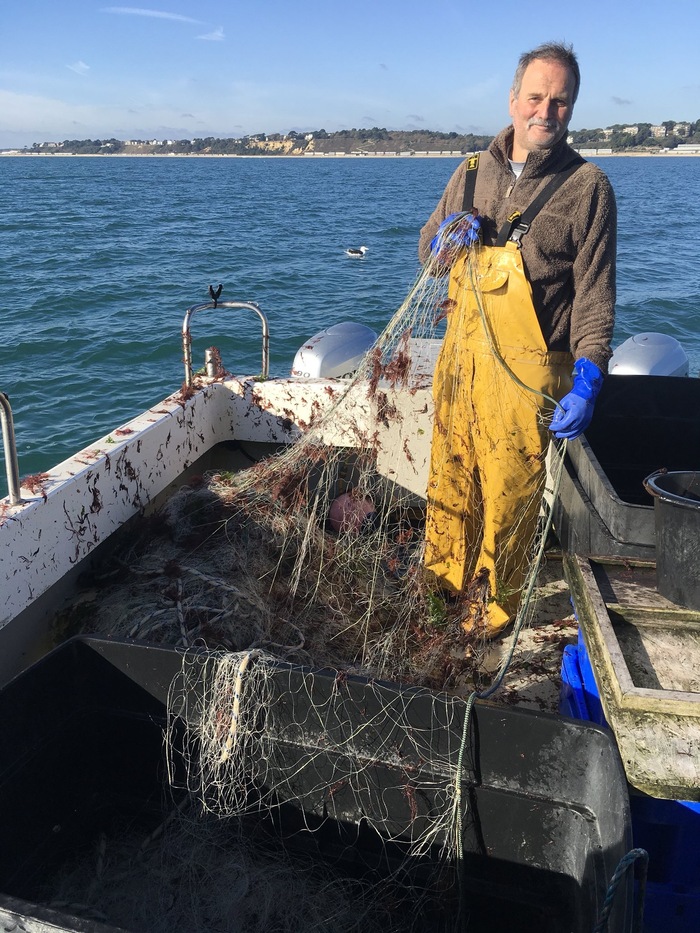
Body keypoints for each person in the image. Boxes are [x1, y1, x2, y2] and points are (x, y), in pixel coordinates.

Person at [419, 41, 616, 637]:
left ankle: (492, 615)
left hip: (530, 377)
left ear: (571, 110)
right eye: (536, 97)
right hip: (460, 362)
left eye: (560, 101)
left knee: (511, 501)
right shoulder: (471, 172)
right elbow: (429, 255)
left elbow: (595, 298)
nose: (545, 111)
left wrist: (588, 378)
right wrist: (442, 242)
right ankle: (439, 591)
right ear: (513, 101)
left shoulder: (588, 187)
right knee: (450, 483)